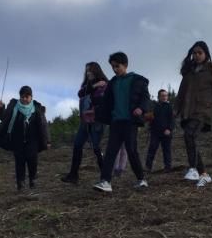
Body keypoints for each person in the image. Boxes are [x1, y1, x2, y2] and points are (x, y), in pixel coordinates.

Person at [173, 40, 212, 188]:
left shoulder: (211, 70)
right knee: (190, 139)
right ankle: (204, 174)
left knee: (189, 135)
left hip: (202, 111)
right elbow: (180, 94)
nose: (197, 55)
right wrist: (175, 111)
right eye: (194, 53)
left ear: (206, 54)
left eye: (200, 53)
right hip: (188, 112)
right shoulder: (188, 73)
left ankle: (193, 169)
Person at [93, 51, 150, 193]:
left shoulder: (138, 80)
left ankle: (141, 179)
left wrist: (141, 109)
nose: (115, 69)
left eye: (117, 66)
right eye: (112, 67)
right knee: (111, 151)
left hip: (130, 122)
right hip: (116, 122)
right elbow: (106, 102)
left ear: (125, 65)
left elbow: (145, 98)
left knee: (131, 150)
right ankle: (105, 181)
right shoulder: (112, 83)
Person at [0, 86, 51, 193]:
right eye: (22, 97)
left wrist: (48, 140)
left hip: (33, 140)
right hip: (17, 139)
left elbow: (44, 125)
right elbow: (3, 117)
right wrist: (1, 108)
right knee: (19, 162)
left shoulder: (37, 108)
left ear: (31, 97)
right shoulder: (13, 105)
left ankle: (33, 180)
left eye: (27, 97)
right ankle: (20, 184)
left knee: (33, 161)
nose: (24, 99)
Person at [61, 62, 108, 184]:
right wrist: (94, 86)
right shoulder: (87, 85)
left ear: (96, 70)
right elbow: (80, 93)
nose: (88, 73)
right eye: (87, 71)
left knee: (96, 148)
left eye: (91, 70)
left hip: (97, 121)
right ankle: (73, 175)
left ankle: (106, 177)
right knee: (77, 146)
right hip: (84, 122)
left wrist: (95, 90)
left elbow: (102, 100)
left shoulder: (104, 83)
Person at [146, 89, 174, 172]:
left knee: (166, 150)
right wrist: (149, 119)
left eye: (166, 95)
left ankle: (167, 167)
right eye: (162, 96)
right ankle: (148, 167)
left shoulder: (169, 107)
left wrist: (169, 129)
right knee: (152, 149)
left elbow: (172, 120)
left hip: (166, 132)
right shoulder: (155, 106)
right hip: (155, 132)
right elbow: (150, 117)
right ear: (159, 97)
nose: (164, 97)